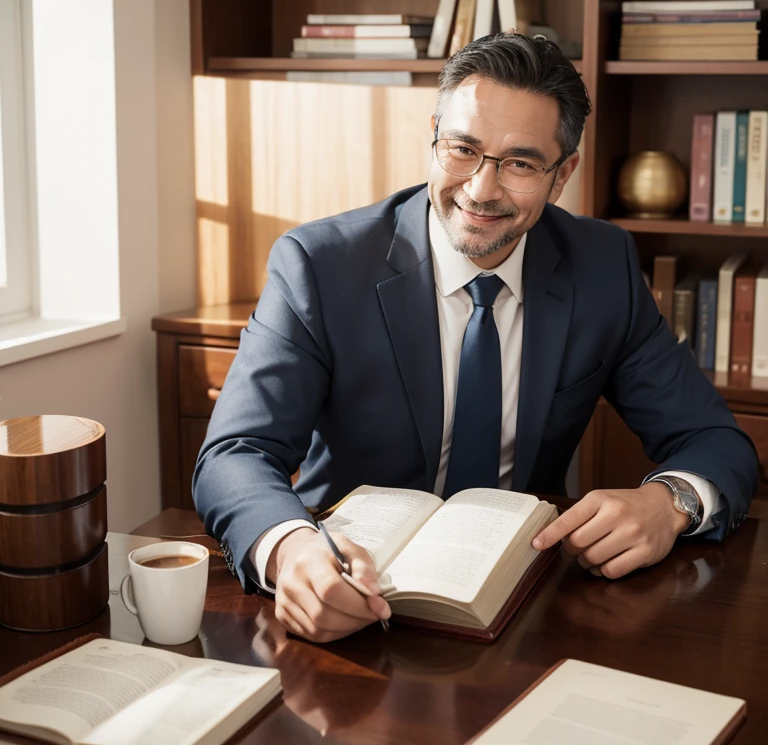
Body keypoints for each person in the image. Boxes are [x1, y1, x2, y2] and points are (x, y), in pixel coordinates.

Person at [193, 33, 758, 643]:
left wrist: (670, 502)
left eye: (519, 163)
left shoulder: (603, 266)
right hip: (348, 582)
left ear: (561, 173)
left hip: (523, 598)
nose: (482, 189)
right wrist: (290, 551)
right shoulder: (320, 265)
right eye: (463, 149)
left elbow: (714, 440)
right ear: (434, 136)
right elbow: (234, 454)